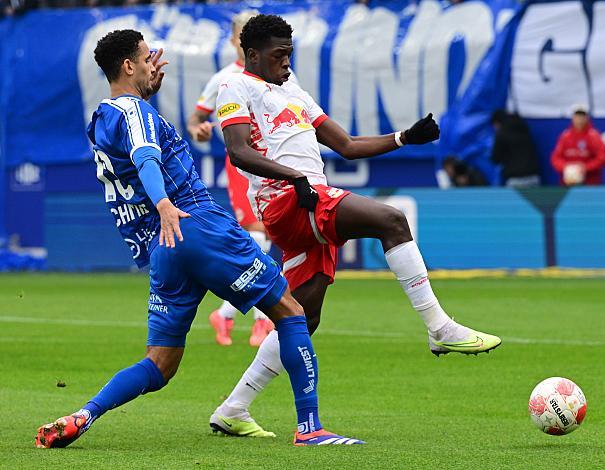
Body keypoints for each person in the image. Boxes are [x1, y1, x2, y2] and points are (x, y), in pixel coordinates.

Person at [35, 29, 363, 448]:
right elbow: (146, 157)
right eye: (144, 58)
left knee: (161, 364)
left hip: (165, 246)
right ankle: (310, 429)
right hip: (194, 222)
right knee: (291, 311)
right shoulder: (132, 113)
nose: (154, 64)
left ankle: (84, 414)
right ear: (128, 66)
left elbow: (134, 152)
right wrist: (165, 203)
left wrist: (148, 94)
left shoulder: (102, 118)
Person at [208, 14, 502, 436]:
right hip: (286, 201)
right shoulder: (234, 86)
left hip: (308, 199)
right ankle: (440, 328)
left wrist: (403, 137)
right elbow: (237, 152)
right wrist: (294, 177)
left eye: (290, 54)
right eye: (278, 55)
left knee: (300, 320)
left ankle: (234, 408)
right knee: (392, 220)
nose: (286, 63)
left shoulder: (293, 90)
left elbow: (345, 145)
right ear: (251, 54)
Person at [186, 10, 273, 348]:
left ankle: (226, 314)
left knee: (266, 237)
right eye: (242, 35)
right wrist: (200, 131)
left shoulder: (279, 76)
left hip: (275, 162)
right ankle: (262, 319)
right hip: (242, 164)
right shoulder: (222, 79)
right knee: (258, 234)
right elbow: (196, 120)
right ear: (234, 40)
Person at [550, 105, 605, 186]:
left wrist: (585, 167)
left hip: (590, 184)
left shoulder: (594, 136)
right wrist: (566, 168)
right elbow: (556, 158)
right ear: (573, 118)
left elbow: (603, 158)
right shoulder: (565, 136)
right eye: (577, 116)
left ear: (587, 118)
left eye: (582, 117)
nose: (579, 120)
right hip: (568, 185)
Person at [490, 110, 541, 187]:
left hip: (515, 178)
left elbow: (495, 158)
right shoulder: (523, 128)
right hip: (533, 176)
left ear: (497, 123)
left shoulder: (501, 134)